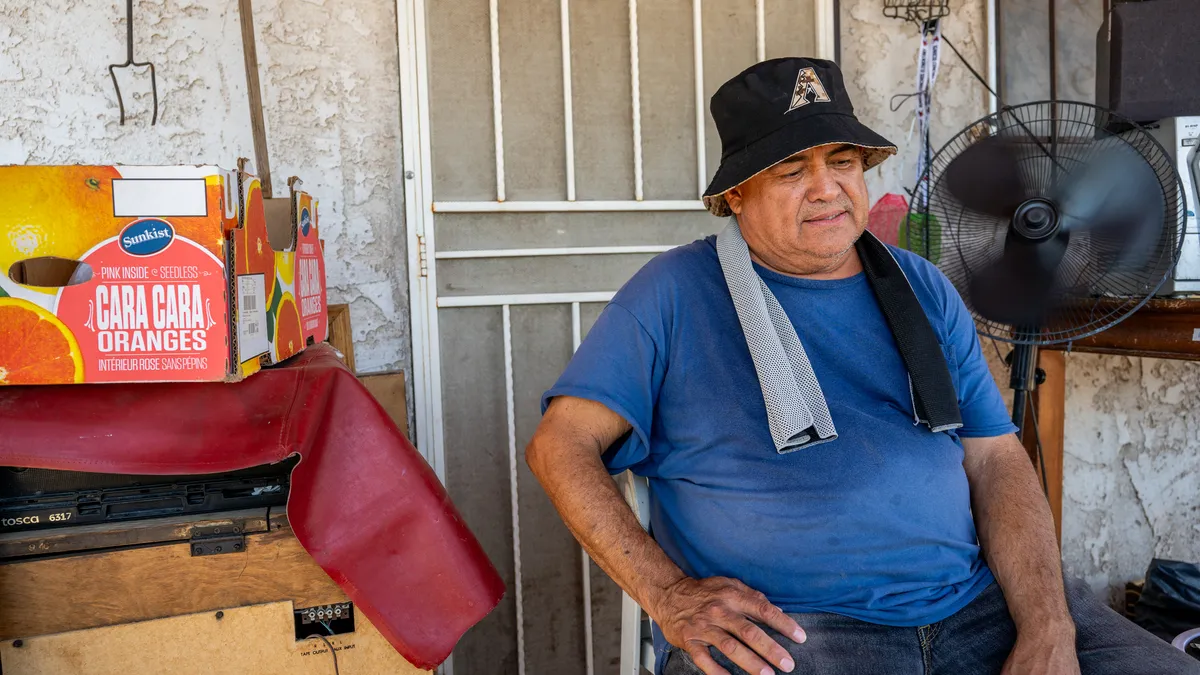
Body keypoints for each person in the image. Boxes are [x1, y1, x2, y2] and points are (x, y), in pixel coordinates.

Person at [525, 57, 1200, 675]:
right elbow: (560, 444)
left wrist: (1047, 623)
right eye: (792, 171)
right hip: (792, 630)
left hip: (973, 606)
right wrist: (668, 594)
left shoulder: (922, 287)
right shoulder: (672, 293)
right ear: (736, 195)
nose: (827, 189)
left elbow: (995, 458)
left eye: (842, 161)